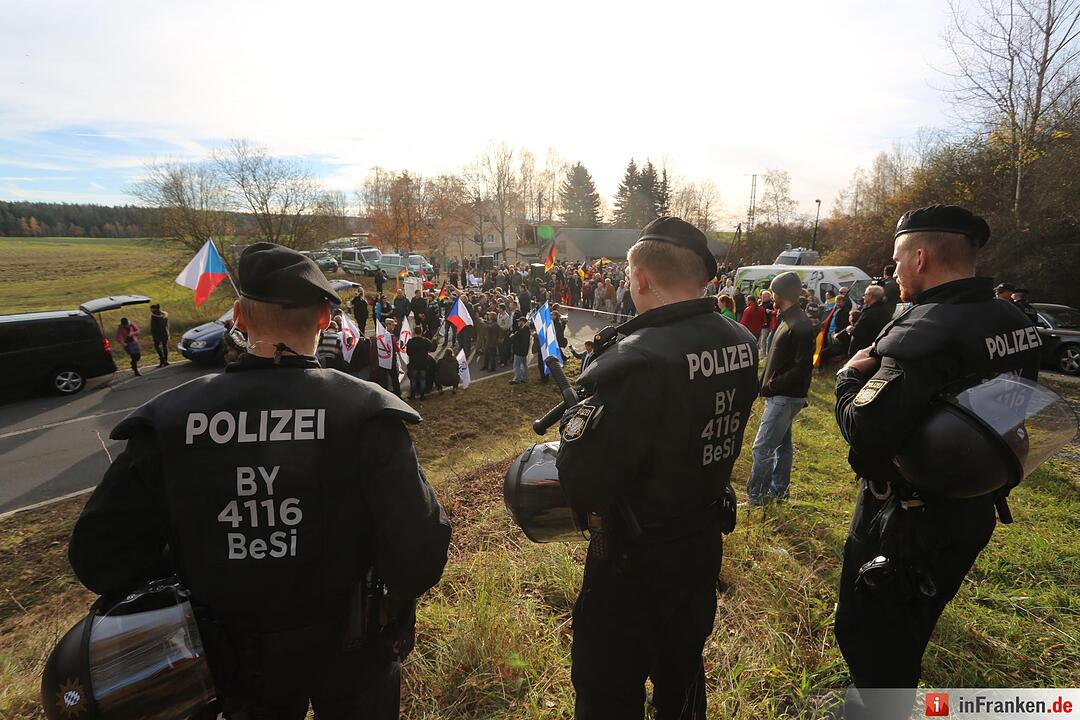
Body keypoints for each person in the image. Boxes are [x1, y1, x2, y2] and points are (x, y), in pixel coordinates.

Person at [68, 242, 451, 720]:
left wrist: (193, 568)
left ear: (239, 318)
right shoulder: (367, 414)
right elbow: (420, 552)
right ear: (325, 318)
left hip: (226, 664)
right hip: (352, 652)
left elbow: (98, 557)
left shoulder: (169, 421)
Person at [833, 205, 1042, 719]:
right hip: (972, 509)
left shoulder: (923, 331)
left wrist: (848, 379)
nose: (894, 269)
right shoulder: (1013, 319)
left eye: (897, 259)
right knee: (915, 619)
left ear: (921, 258)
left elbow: (868, 434)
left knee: (872, 630)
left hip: (905, 520)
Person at [555, 217, 758, 719]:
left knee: (606, 686)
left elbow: (585, 483)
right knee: (682, 668)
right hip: (701, 539)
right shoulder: (741, 340)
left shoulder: (636, 361)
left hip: (633, 558)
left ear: (641, 279)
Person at [744, 271, 814, 505]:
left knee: (762, 448)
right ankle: (779, 491)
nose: (771, 296)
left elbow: (803, 367)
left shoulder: (800, 323)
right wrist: (761, 383)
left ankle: (757, 497)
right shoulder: (788, 319)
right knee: (783, 446)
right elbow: (778, 360)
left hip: (784, 397)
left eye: (773, 292)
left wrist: (773, 385)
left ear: (781, 294)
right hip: (782, 395)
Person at [846, 284, 890, 356]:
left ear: (870, 296)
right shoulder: (884, 310)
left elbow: (858, 332)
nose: (863, 297)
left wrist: (850, 329)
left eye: (865, 294)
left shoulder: (870, 313)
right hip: (873, 350)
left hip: (864, 352)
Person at [405, 331, 434, 400]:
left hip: (413, 364)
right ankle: (422, 396)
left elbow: (408, 352)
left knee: (413, 380)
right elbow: (432, 349)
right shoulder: (425, 341)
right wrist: (434, 341)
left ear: (414, 332)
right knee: (422, 380)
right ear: (421, 332)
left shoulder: (410, 342)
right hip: (423, 364)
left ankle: (413, 395)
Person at [509, 316, 531, 385]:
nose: (518, 322)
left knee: (516, 365)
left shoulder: (521, 330)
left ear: (523, 322)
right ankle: (525, 378)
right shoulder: (527, 330)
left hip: (519, 351)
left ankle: (517, 379)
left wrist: (512, 336)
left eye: (519, 321)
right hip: (524, 350)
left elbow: (515, 339)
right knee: (524, 365)